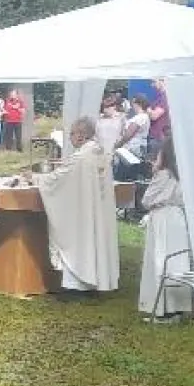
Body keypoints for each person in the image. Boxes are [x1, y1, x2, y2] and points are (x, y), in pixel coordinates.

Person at [33, 116, 120, 293]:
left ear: (81, 135)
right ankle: (95, 281)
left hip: (80, 211)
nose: (70, 138)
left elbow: (58, 179)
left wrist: (35, 178)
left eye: (71, 133)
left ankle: (75, 286)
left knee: (77, 239)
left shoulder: (81, 157)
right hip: (95, 210)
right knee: (93, 241)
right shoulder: (98, 152)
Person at [138, 138, 192, 320]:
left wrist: (155, 172)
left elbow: (146, 200)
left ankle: (163, 309)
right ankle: (178, 306)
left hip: (162, 217)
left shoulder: (163, 175)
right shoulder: (183, 174)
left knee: (160, 258)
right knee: (177, 260)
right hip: (177, 217)